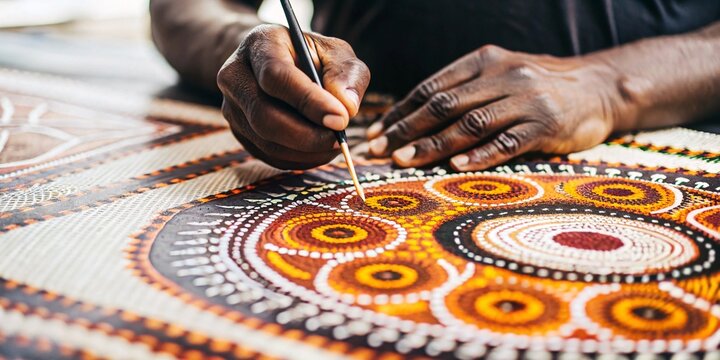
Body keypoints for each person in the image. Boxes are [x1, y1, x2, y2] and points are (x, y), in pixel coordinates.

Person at [150, 0, 720, 170]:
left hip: (672, 136)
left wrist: (608, 84)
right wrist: (248, 45)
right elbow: (180, 7)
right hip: (351, 117)